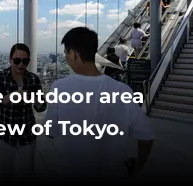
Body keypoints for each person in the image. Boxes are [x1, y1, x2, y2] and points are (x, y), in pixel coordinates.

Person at [45, 27, 154, 180]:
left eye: (66, 53)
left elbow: (51, 132)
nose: (66, 57)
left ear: (73, 54)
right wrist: (138, 167)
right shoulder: (122, 90)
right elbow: (146, 136)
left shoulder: (59, 87)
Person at [0, 43, 46, 181]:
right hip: (5, 134)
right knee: (5, 172)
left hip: (27, 133)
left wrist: (37, 100)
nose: (21, 64)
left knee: (27, 172)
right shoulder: (0, 78)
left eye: (25, 61)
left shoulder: (33, 79)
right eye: (17, 60)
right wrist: (12, 96)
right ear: (10, 59)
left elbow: (41, 107)